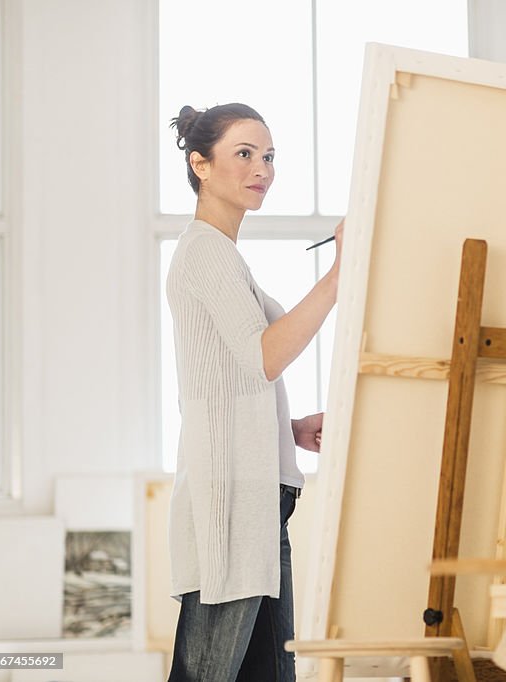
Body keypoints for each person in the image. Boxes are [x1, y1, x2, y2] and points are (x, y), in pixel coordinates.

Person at [165, 102, 341, 681]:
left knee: (268, 675)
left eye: (268, 156)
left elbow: (219, 381)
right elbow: (266, 354)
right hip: (233, 504)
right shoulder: (206, 251)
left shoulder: (222, 255)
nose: (261, 167)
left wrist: (285, 430)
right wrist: (341, 274)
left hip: (257, 500)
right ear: (201, 165)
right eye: (243, 154)